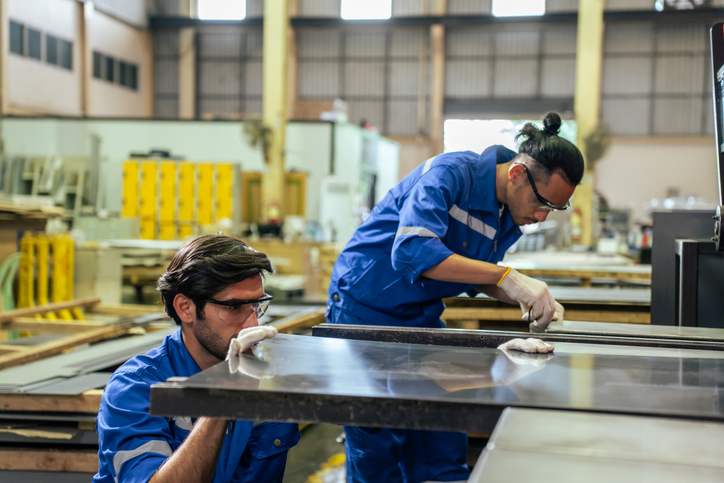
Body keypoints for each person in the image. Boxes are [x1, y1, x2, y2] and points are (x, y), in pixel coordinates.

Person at [326, 112, 584, 482]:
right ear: (516, 174)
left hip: (420, 314)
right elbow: (412, 250)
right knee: (377, 442)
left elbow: (474, 272)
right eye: (543, 203)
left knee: (440, 435)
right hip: (363, 308)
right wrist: (506, 276)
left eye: (555, 209)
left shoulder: (509, 213)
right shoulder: (449, 174)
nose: (543, 217)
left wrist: (525, 295)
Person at [94, 234, 299, 483]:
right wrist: (224, 392)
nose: (253, 324)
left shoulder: (269, 375)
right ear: (186, 308)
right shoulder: (135, 389)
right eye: (234, 307)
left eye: (257, 305)